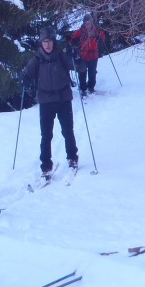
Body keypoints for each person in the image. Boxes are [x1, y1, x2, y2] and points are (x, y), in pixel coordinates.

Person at [22, 25, 78, 178]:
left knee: (67, 131)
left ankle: (72, 157)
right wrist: (25, 78)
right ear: (41, 43)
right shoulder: (37, 59)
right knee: (46, 135)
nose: (47, 45)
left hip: (63, 98)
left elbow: (79, 67)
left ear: (54, 42)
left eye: (50, 41)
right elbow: (25, 75)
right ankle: (46, 165)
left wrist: (75, 56)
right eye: (44, 41)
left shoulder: (61, 56)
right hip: (45, 101)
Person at [68, 13, 107, 96]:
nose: (88, 25)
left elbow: (103, 38)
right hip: (83, 55)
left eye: (89, 23)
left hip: (94, 55)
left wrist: (100, 34)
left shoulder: (95, 30)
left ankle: (91, 87)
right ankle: (83, 89)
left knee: (92, 73)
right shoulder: (81, 31)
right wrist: (70, 41)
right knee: (82, 72)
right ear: (84, 23)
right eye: (86, 23)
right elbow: (72, 38)